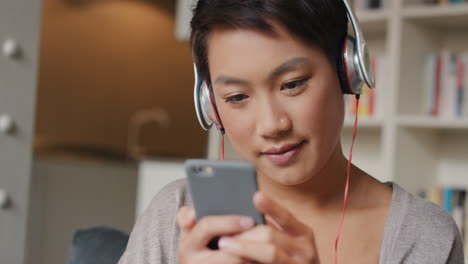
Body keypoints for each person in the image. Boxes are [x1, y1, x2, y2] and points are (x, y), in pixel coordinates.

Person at [118, 0, 464, 263]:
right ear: (211, 105)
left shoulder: (423, 236)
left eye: (293, 84)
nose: (272, 125)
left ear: (347, 70)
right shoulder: (175, 213)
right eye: (237, 97)